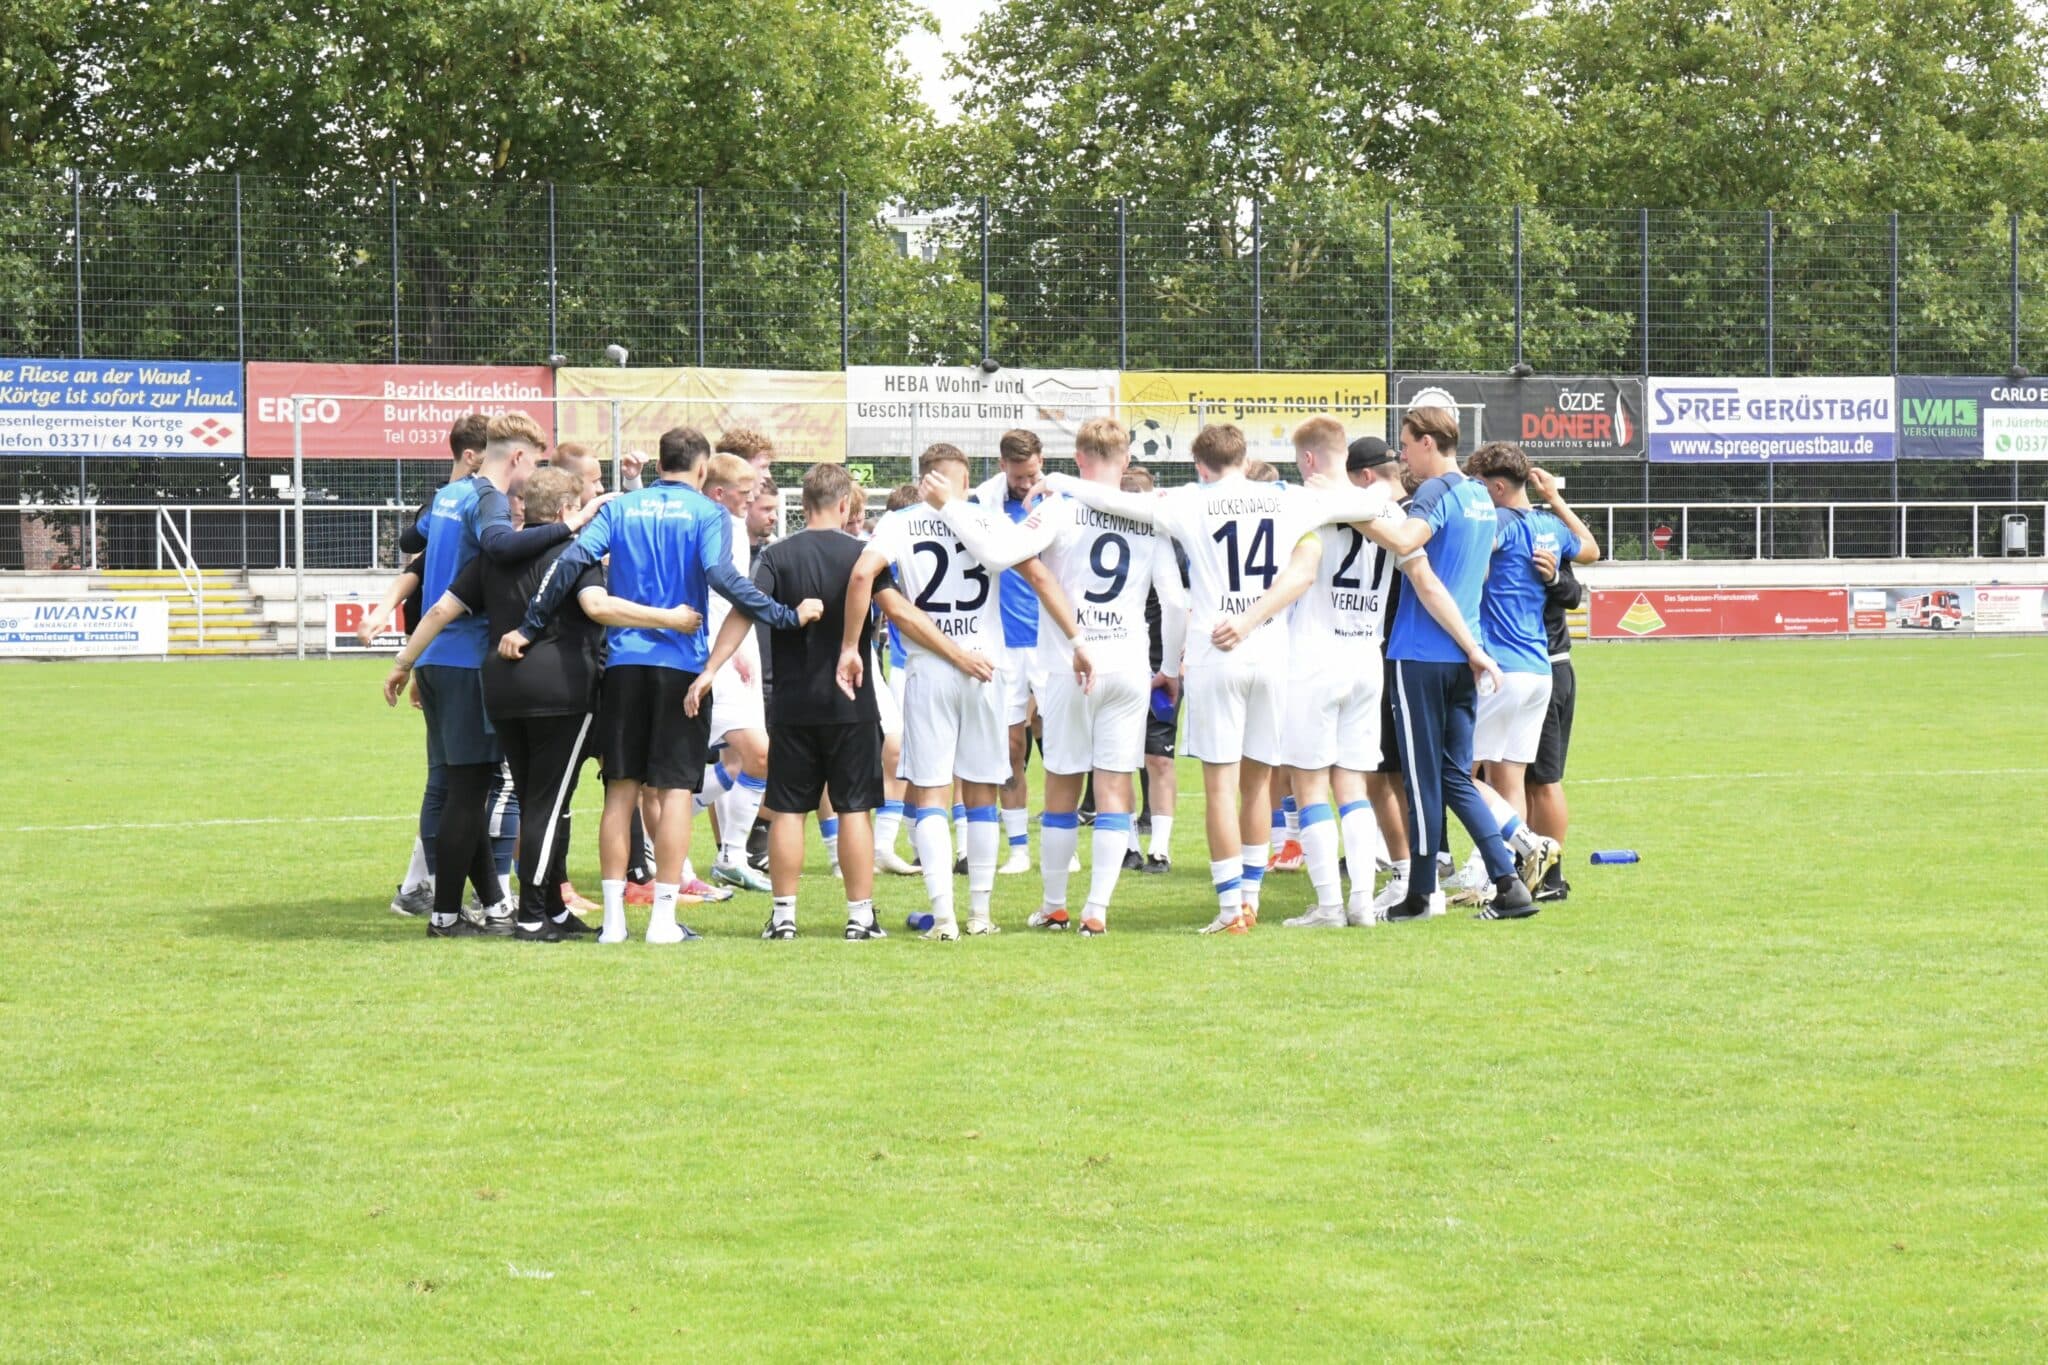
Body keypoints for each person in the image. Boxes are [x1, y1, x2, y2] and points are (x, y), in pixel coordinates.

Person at [1032, 423, 1386, 934]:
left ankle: (1228, 909)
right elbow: (1367, 506)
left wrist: (1063, 482)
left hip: (1217, 648)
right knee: (1259, 783)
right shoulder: (1284, 497)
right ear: (1244, 458)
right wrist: (1374, 491)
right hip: (1270, 652)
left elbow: (1129, 505)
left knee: (1221, 784)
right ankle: (1250, 897)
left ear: (1200, 466)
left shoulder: (1189, 501)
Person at [504, 425, 819, 945]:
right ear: (700, 469)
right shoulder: (707, 513)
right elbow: (723, 578)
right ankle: (662, 920)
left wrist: (529, 625)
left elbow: (571, 563)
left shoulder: (620, 509)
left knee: (620, 790)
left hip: (623, 666)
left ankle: (613, 924)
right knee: (674, 791)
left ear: (657, 464)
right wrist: (783, 615)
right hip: (681, 668)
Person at [380, 467, 698, 940]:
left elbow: (443, 608)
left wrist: (404, 662)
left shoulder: (495, 556)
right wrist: (669, 619)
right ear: (569, 510)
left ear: (525, 507)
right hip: (561, 693)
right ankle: (531, 916)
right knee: (547, 805)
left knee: (542, 800)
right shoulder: (578, 551)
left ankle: (555, 908)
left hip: (502, 688)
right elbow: (597, 607)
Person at [935, 417, 1187, 936]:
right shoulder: (1152, 516)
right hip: (1128, 662)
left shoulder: (1058, 506)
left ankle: (1054, 904)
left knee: (1063, 783)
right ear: (1127, 458)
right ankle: (1097, 909)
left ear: (1076, 459)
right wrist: (1168, 669)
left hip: (1069, 664)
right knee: (1116, 785)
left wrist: (952, 508)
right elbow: (1176, 603)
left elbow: (1003, 554)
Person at [687, 464, 962, 939]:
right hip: (851, 701)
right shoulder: (864, 555)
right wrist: (958, 653)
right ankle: (859, 917)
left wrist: (711, 669)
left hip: (792, 703)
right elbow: (897, 609)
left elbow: (743, 612)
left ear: (803, 503)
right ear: (842, 506)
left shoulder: (777, 554)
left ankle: (784, 916)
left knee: (789, 808)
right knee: (854, 807)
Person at [837, 443, 1093, 941]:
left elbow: (864, 573)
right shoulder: (987, 518)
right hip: (987, 667)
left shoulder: (900, 521)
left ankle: (945, 918)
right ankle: (980, 914)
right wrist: (1077, 641)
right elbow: (1038, 575)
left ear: (924, 476)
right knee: (980, 793)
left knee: (930, 792)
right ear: (966, 480)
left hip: (929, 666)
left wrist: (851, 644)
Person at [407, 413, 606, 937]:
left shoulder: (453, 496)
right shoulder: (503, 512)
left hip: (477, 675)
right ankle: (512, 914)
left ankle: (513, 904)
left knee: (476, 789)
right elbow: (594, 603)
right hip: (529, 681)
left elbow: (430, 585)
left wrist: (406, 661)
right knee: (502, 796)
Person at [1211, 417, 1405, 927]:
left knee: (1311, 782)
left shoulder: (1313, 506)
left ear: (1310, 460)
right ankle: (1362, 901)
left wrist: (1249, 619)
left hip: (1317, 657)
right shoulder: (1382, 506)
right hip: (1368, 654)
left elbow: (1302, 573)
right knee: (1354, 786)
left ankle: (1330, 905)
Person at [1375, 406, 1528, 923]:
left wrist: (1354, 510)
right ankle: (1507, 881)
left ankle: (1422, 894)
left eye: (1406, 444)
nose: (1403, 456)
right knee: (1453, 775)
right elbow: (1480, 573)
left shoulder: (1436, 493)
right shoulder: (1480, 498)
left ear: (1426, 443)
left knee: (1422, 781)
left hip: (1421, 653)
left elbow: (1404, 541)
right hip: (1465, 654)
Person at [1456, 445, 1598, 902]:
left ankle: (1515, 854)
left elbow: (1470, 563)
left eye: (1478, 489)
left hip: (1502, 667)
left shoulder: (1497, 523)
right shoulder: (1548, 526)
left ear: (1497, 487)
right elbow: (1591, 549)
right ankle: (1507, 873)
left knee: (1456, 772)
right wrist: (1553, 498)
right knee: (1509, 777)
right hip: (1540, 668)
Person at [365, 413, 491, 917]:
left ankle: (433, 887)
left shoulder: (448, 504)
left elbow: (411, 555)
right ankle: (453, 893)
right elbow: (413, 561)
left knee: (450, 780)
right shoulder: (470, 503)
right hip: (455, 654)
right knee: (468, 783)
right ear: (471, 454)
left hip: (435, 654)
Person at [696, 454, 775, 894]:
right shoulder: (718, 525)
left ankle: (730, 855)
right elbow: (718, 595)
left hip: (735, 653)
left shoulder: (730, 525)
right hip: (721, 657)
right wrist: (729, 653)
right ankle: (656, 827)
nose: (751, 501)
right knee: (756, 754)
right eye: (744, 494)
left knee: (737, 759)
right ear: (719, 492)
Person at [971, 430, 1049, 875]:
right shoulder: (983, 503)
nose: (1026, 482)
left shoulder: (1057, 498)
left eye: (1033, 472)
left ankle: (1061, 837)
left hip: (1049, 641)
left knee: (1058, 742)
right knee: (1009, 745)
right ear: (1003, 466)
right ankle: (1018, 847)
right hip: (1003, 644)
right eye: (1020, 475)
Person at [1527, 468, 1587, 902]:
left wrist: (1553, 499)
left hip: (1545, 665)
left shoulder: (1535, 534)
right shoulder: (1544, 532)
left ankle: (1551, 878)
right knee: (1526, 779)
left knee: (1544, 780)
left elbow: (1587, 559)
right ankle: (1534, 867)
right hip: (1549, 667)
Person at [1126, 464, 1180, 876]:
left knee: (1158, 756)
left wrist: (1175, 662)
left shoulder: (1171, 544)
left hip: (1161, 660)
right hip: (1116, 657)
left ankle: (1159, 849)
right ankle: (1127, 844)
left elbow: (1185, 605)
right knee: (1117, 758)